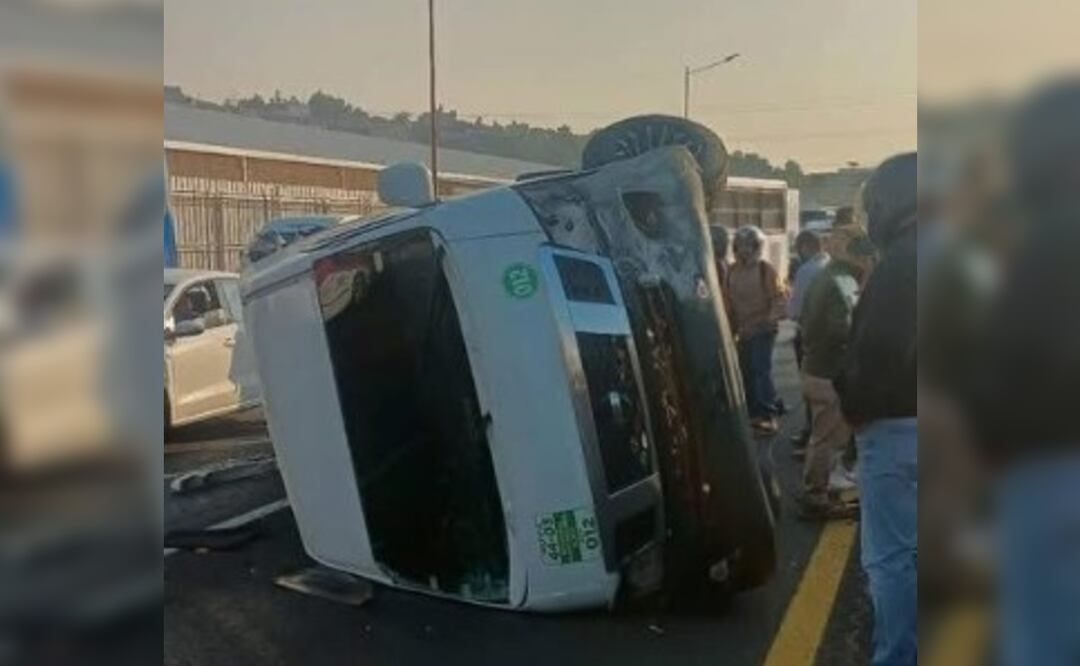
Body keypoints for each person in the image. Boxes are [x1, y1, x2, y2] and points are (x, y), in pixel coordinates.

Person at [835, 152, 917, 666]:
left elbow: (874, 353)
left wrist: (854, 407)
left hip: (900, 429)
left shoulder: (904, 263)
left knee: (892, 561)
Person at [797, 225, 875, 520]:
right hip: (829, 372)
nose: (869, 262)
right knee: (827, 439)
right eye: (866, 256)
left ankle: (820, 488)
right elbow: (843, 328)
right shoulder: (843, 280)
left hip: (815, 367)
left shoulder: (826, 275)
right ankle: (815, 496)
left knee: (824, 436)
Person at [725, 226, 787, 435]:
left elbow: (779, 297)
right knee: (745, 371)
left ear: (757, 247)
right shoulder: (731, 271)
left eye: (749, 246)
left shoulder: (765, 270)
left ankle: (768, 415)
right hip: (743, 330)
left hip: (763, 329)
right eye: (740, 246)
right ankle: (753, 413)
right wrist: (729, 327)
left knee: (760, 370)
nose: (744, 250)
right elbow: (727, 301)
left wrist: (770, 319)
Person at [787, 229, 830, 453]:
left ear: (806, 246)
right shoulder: (832, 266)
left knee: (810, 390)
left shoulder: (806, 271)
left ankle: (811, 437)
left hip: (809, 337)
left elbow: (794, 311)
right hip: (834, 340)